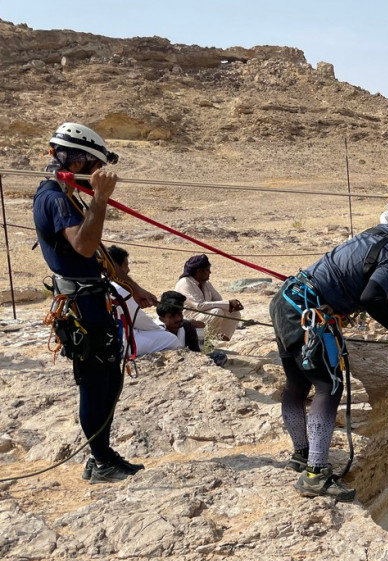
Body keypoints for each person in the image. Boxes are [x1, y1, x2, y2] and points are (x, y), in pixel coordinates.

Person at [270, 189, 388, 499]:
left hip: (287, 301)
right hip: (309, 314)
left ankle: (302, 454)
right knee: (329, 386)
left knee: (297, 384)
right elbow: (372, 299)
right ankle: (314, 474)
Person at [32, 122, 158, 483]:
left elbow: (98, 254)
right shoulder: (54, 199)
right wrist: (100, 198)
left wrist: (132, 286)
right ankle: (101, 460)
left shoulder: (66, 194)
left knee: (109, 379)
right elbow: (85, 246)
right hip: (82, 308)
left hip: (92, 301)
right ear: (76, 161)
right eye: (94, 165)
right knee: (95, 382)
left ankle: (101, 454)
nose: (97, 173)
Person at [107, 246, 184, 356]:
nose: (128, 270)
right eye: (126, 265)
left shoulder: (100, 283)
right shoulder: (118, 288)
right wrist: (160, 329)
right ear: (117, 266)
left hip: (104, 338)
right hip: (119, 342)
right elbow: (140, 321)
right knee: (170, 339)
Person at [174, 254, 244, 341]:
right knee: (217, 312)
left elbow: (218, 300)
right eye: (207, 269)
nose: (210, 272)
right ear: (199, 271)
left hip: (203, 314)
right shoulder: (185, 283)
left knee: (234, 314)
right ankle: (205, 339)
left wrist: (231, 306)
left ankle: (220, 340)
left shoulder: (206, 283)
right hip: (189, 318)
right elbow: (199, 305)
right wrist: (228, 304)